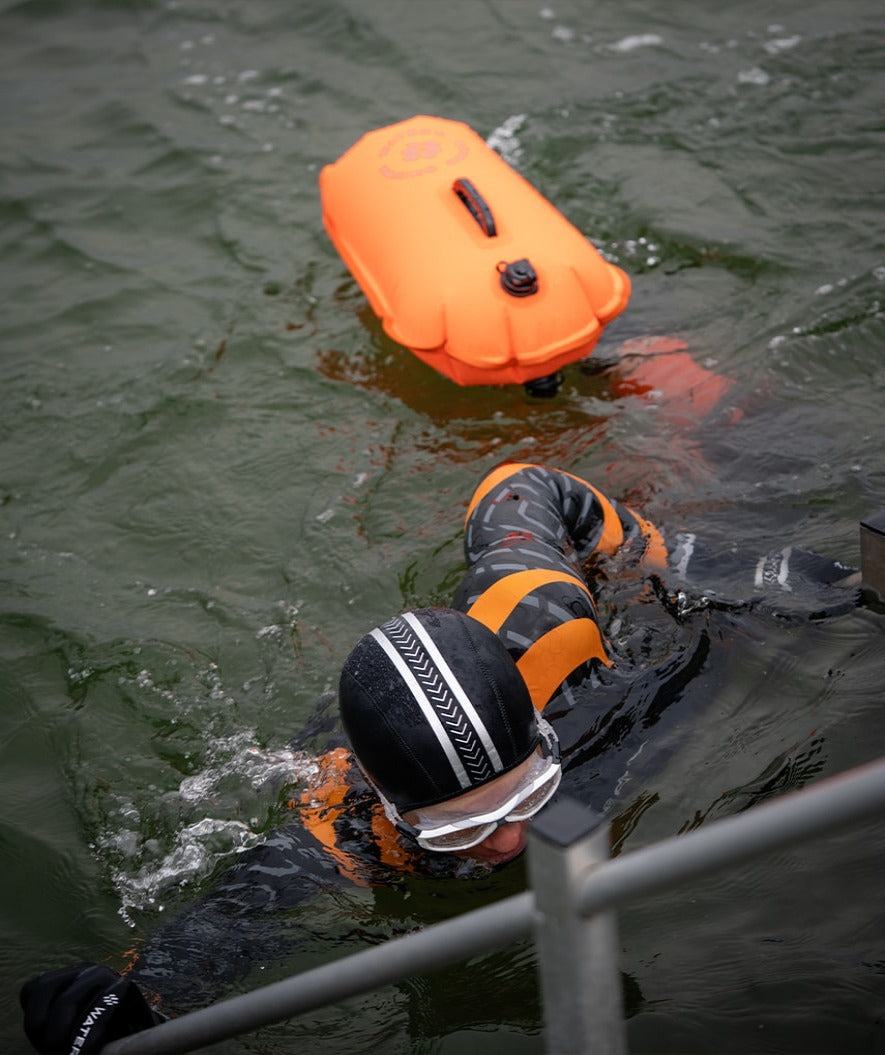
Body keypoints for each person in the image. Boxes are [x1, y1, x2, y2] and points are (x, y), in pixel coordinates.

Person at [20, 461, 859, 1053]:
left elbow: (520, 483)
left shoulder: (549, 633)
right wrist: (132, 999)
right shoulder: (343, 824)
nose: (507, 843)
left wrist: (662, 557)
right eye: (461, 829)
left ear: (540, 739)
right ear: (393, 811)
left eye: (527, 794)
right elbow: (224, 926)